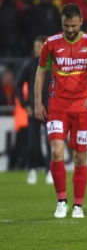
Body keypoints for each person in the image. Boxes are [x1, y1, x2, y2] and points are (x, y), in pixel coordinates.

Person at [34, 3, 87, 219]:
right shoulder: (51, 43)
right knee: (56, 151)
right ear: (62, 22)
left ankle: (78, 205)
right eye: (66, 25)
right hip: (58, 106)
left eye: (74, 25)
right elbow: (40, 73)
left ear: (81, 21)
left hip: (83, 107)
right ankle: (61, 201)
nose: (70, 30)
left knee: (80, 158)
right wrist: (38, 102)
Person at [14, 35, 53, 185]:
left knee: (51, 142)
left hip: (51, 110)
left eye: (38, 46)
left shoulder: (53, 63)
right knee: (32, 143)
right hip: (35, 109)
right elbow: (18, 85)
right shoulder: (30, 64)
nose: (35, 49)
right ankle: (32, 170)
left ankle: (50, 171)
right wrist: (26, 105)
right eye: (35, 47)